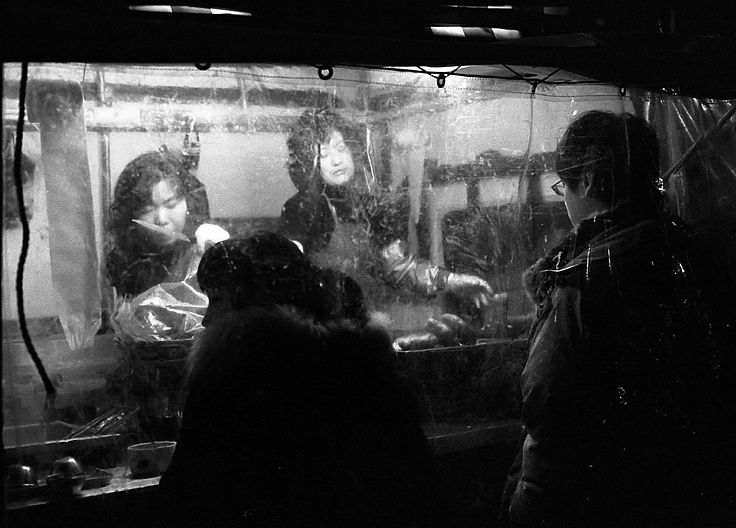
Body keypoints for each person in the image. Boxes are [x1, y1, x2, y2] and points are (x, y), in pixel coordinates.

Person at [498, 110, 720, 527]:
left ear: (586, 181)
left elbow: (547, 409)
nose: (565, 199)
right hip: (692, 490)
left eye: (563, 186)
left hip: (594, 501)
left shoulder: (584, 282)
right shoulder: (693, 254)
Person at [156, 231, 448, 528]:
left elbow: (185, 495)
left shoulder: (227, 378)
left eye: (216, 299)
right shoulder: (363, 362)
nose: (206, 319)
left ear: (251, 298)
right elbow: (419, 485)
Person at [279, 106, 500, 313]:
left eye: (341, 148)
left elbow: (397, 266)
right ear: (308, 163)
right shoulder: (300, 209)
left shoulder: (365, 206)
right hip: (324, 327)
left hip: (367, 321)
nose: (337, 160)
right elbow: (289, 278)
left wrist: (451, 281)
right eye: (324, 154)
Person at [106, 147, 228, 298]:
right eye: (146, 210)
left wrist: (224, 255)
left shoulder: (205, 244)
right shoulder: (121, 263)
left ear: (188, 203)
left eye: (171, 205)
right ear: (130, 215)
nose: (161, 220)